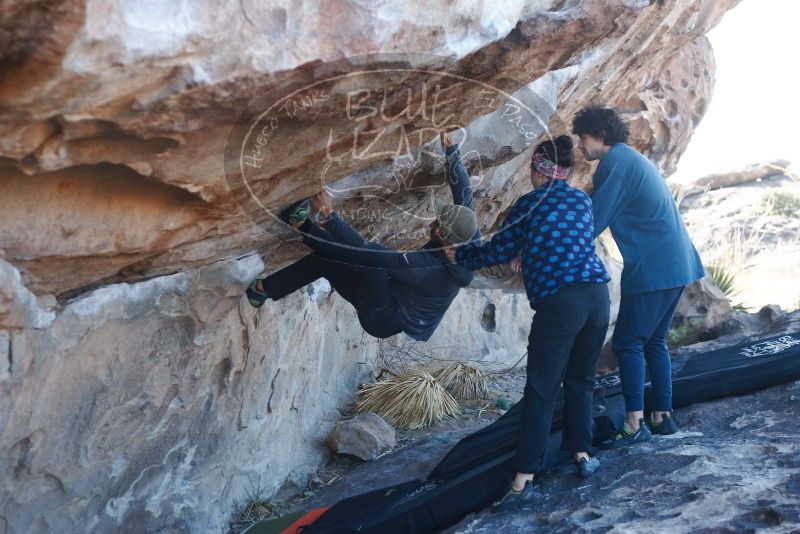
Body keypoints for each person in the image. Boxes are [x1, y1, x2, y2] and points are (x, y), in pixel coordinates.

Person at [445, 135, 611, 512]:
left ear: (537, 170)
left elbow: (498, 248)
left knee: (541, 390)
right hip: (597, 297)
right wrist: (528, 249)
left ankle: (523, 480)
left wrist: (462, 255)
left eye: (531, 170)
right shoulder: (581, 199)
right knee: (581, 379)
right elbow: (563, 238)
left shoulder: (530, 202)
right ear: (565, 172)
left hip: (562, 303)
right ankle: (583, 455)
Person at [244, 132, 481, 341]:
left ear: (441, 233)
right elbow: (464, 194)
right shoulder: (466, 236)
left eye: (436, 221)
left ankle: (300, 223)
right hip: (389, 294)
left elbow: (370, 253)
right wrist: (452, 152)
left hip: (382, 320)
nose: (432, 221)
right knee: (329, 260)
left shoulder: (427, 270)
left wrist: (329, 217)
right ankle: (262, 289)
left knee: (369, 264)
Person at [571, 106, 705, 448]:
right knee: (654, 341)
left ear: (599, 135)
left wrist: (551, 247)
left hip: (654, 267)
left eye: (582, 137)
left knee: (629, 343)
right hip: (679, 263)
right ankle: (662, 416)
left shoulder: (614, 165)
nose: (579, 145)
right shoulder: (632, 159)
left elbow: (592, 221)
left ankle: (634, 423)